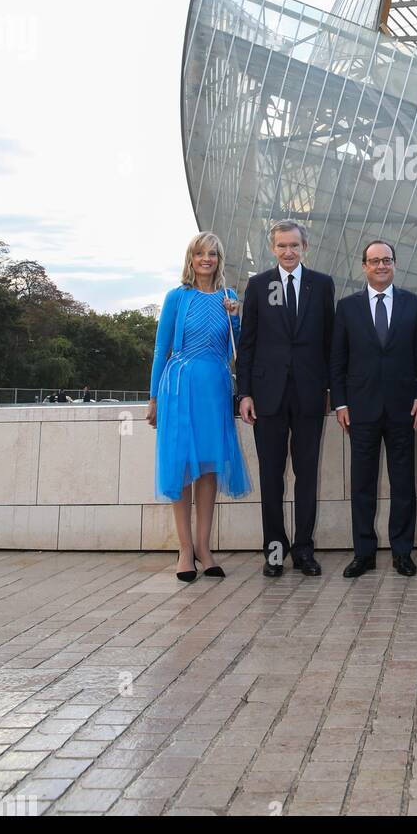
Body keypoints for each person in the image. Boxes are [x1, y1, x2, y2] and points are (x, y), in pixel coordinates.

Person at [146, 232, 251, 582]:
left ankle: (205, 549)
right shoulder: (177, 297)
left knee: (209, 469)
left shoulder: (228, 297)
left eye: (213, 254)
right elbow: (162, 349)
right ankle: (185, 550)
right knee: (182, 468)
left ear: (220, 260)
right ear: (190, 259)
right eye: (200, 253)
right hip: (180, 385)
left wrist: (235, 316)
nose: (207, 259)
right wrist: (153, 398)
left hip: (215, 386)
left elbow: (237, 348)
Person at [237, 220, 335, 578]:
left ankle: (304, 551)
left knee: (307, 475)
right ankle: (275, 553)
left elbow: (330, 344)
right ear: (272, 248)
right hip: (267, 396)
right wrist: (244, 393)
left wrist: (331, 392)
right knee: (272, 477)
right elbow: (247, 343)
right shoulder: (258, 285)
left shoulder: (322, 285)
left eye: (294, 245)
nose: (288, 252)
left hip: (310, 395)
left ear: (304, 247)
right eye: (282, 246)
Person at [331, 240, 417, 577]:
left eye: (386, 260)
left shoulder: (413, 304)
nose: (380, 266)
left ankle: (402, 552)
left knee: (403, 482)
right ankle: (364, 554)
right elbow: (338, 360)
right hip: (360, 410)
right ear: (364, 266)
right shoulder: (346, 308)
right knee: (362, 484)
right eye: (374, 261)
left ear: (394, 264)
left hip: (404, 409)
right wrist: (340, 402)